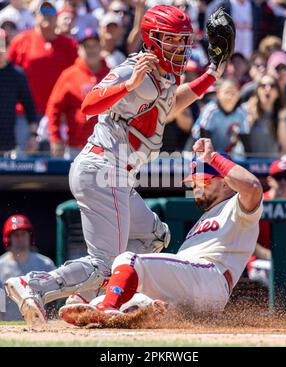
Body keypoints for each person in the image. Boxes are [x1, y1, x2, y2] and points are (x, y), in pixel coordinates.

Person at [5, 5, 232, 324]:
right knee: (104, 265)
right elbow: (89, 104)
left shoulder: (164, 76)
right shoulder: (136, 67)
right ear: (152, 40)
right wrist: (128, 83)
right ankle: (33, 285)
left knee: (155, 236)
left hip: (116, 175)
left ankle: (81, 299)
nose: (179, 48)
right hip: (103, 168)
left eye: (182, 41)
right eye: (172, 40)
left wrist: (213, 74)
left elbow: (171, 104)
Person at [58, 137, 263, 326]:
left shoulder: (238, 206)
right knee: (127, 300)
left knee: (128, 260)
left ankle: (107, 306)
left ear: (226, 182)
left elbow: (253, 186)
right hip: (193, 296)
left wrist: (213, 158)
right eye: (194, 184)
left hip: (211, 276)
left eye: (204, 182)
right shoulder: (204, 218)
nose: (196, 188)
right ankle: (116, 307)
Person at [7, 0, 78, 152]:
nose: (47, 16)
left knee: (54, 167)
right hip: (24, 115)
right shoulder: (21, 41)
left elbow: (75, 78)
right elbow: (7, 74)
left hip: (57, 116)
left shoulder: (69, 45)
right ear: (35, 16)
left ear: (58, 16)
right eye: (43, 11)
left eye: (52, 12)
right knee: (22, 164)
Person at [46, 28, 110, 160]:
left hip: (107, 147)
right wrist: (55, 137)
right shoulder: (69, 75)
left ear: (100, 47)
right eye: (87, 46)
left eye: (94, 46)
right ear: (79, 49)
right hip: (77, 147)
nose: (91, 50)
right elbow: (54, 108)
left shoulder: (112, 75)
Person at [247, 160, 286, 289]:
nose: (282, 182)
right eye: (278, 177)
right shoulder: (256, 203)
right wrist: (272, 256)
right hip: (260, 263)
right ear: (270, 180)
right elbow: (246, 238)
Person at [0, 214, 56, 321]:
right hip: (7, 324)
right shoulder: (1, 265)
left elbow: (55, 297)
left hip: (39, 324)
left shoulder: (45, 264)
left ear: (30, 237)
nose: (20, 238)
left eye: (23, 234)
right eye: (16, 235)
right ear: (8, 238)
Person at [0, 28, 38, 157]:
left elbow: (29, 107)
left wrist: (33, 135)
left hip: (8, 144)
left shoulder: (17, 74)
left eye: (2, 45)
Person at [192, 78, 248, 157]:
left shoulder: (241, 112)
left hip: (225, 153)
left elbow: (245, 138)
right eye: (227, 92)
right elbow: (203, 135)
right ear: (218, 93)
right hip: (199, 149)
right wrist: (210, 155)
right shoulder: (211, 110)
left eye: (233, 93)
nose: (230, 96)